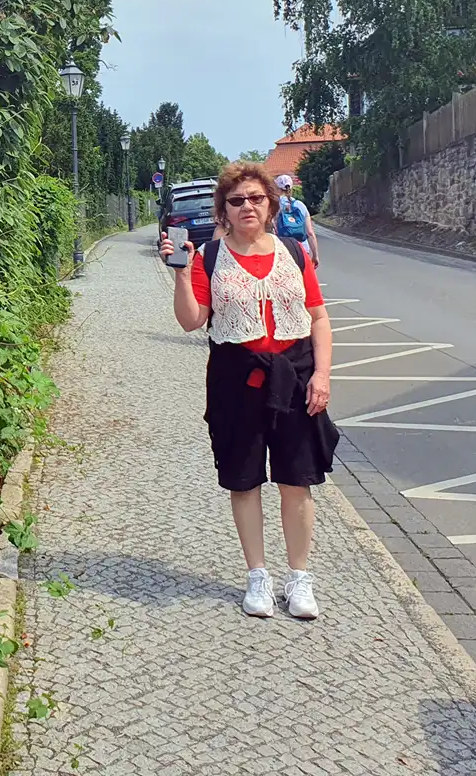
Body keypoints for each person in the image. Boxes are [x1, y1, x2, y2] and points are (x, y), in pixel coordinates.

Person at [160, 161, 336, 620]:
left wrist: (322, 376)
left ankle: (299, 578)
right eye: (236, 201)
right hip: (235, 378)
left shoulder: (294, 252)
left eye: (256, 198)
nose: (247, 207)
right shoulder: (209, 257)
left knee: (297, 479)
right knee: (244, 480)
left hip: (294, 376)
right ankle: (258, 575)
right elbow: (191, 321)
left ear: (271, 204)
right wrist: (181, 273)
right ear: (224, 210)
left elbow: (318, 317)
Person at [273, 173, 319, 265]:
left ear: (276, 188)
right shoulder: (300, 205)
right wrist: (315, 255)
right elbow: (310, 233)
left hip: (283, 250)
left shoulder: (273, 206)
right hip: (302, 250)